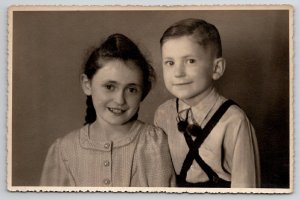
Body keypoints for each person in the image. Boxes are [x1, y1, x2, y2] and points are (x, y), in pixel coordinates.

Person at [40, 33, 175, 187]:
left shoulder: (154, 143)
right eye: (109, 87)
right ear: (87, 84)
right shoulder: (64, 151)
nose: (120, 100)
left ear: (143, 91)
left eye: (131, 89)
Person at [154, 18, 260, 188]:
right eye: (170, 63)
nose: (178, 73)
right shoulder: (163, 114)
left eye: (190, 61)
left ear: (216, 68)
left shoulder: (234, 120)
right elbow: (161, 178)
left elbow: (246, 186)